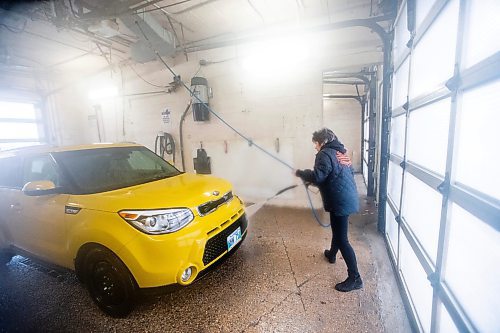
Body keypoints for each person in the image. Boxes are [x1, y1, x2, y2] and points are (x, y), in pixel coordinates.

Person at [295, 128, 362, 292]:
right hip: (347, 197)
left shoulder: (325, 154)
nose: (315, 148)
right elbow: (335, 175)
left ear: (322, 142)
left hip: (339, 200)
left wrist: (301, 173)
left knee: (342, 239)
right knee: (338, 231)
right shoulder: (341, 153)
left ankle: (355, 278)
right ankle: (332, 254)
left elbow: (318, 176)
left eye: (316, 144)